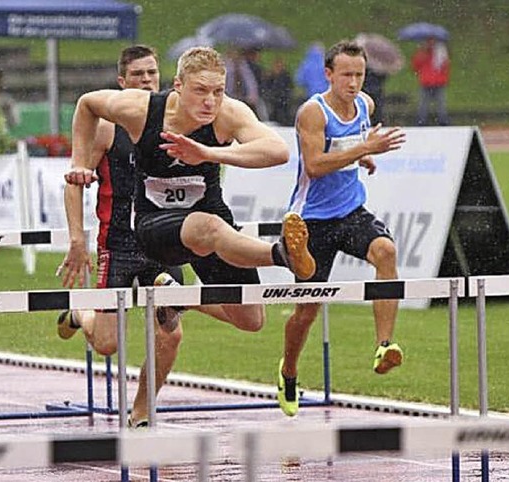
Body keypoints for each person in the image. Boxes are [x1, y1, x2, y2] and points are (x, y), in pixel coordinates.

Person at [64, 46, 316, 413]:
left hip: (207, 218)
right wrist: (77, 161)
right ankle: (283, 255)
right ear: (178, 86)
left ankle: (180, 297)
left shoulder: (227, 113)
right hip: (152, 229)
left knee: (251, 319)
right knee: (206, 228)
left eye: (218, 91)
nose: (210, 101)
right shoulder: (139, 109)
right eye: (201, 91)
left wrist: (210, 154)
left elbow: (277, 151)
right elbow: (87, 103)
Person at [56, 45, 186, 428]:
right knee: (109, 343)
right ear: (121, 82)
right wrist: (77, 240)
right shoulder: (106, 129)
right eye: (137, 75)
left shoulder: (172, 121)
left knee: (171, 334)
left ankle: (142, 410)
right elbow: (73, 182)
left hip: (162, 241)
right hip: (118, 244)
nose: (146, 81)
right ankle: (82, 312)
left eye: (151, 74)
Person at [277, 40, 406, 417]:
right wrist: (364, 148)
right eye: (346, 74)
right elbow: (314, 165)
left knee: (386, 252)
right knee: (307, 311)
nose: (353, 82)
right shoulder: (312, 113)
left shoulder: (365, 105)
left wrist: (363, 157)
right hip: (310, 221)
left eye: (359, 75)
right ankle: (288, 370)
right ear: (329, 74)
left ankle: (385, 344)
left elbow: (349, 146)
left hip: (350, 211)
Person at [411, 38, 450, 126]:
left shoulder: (440, 53)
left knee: (441, 105)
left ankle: (443, 121)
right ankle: (421, 122)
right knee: (423, 105)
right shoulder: (422, 53)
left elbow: (445, 66)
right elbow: (415, 66)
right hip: (426, 82)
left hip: (438, 82)